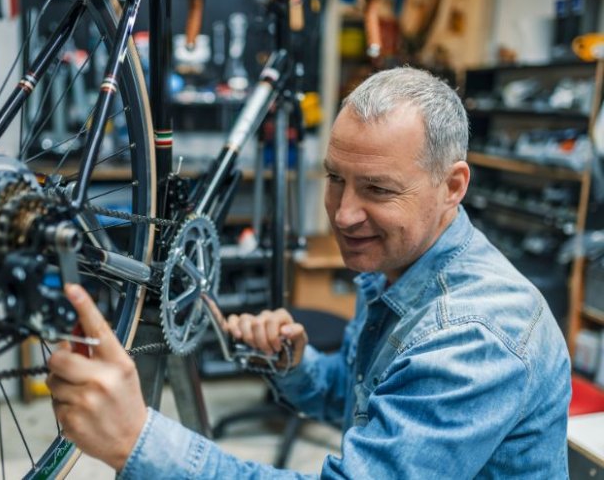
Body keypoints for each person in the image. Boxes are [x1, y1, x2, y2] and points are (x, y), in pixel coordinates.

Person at [47, 67, 571, 478]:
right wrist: (296, 367)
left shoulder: (472, 337)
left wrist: (138, 439)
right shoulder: (401, 266)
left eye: (378, 190)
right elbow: (367, 396)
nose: (343, 214)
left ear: (453, 186)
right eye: (335, 178)